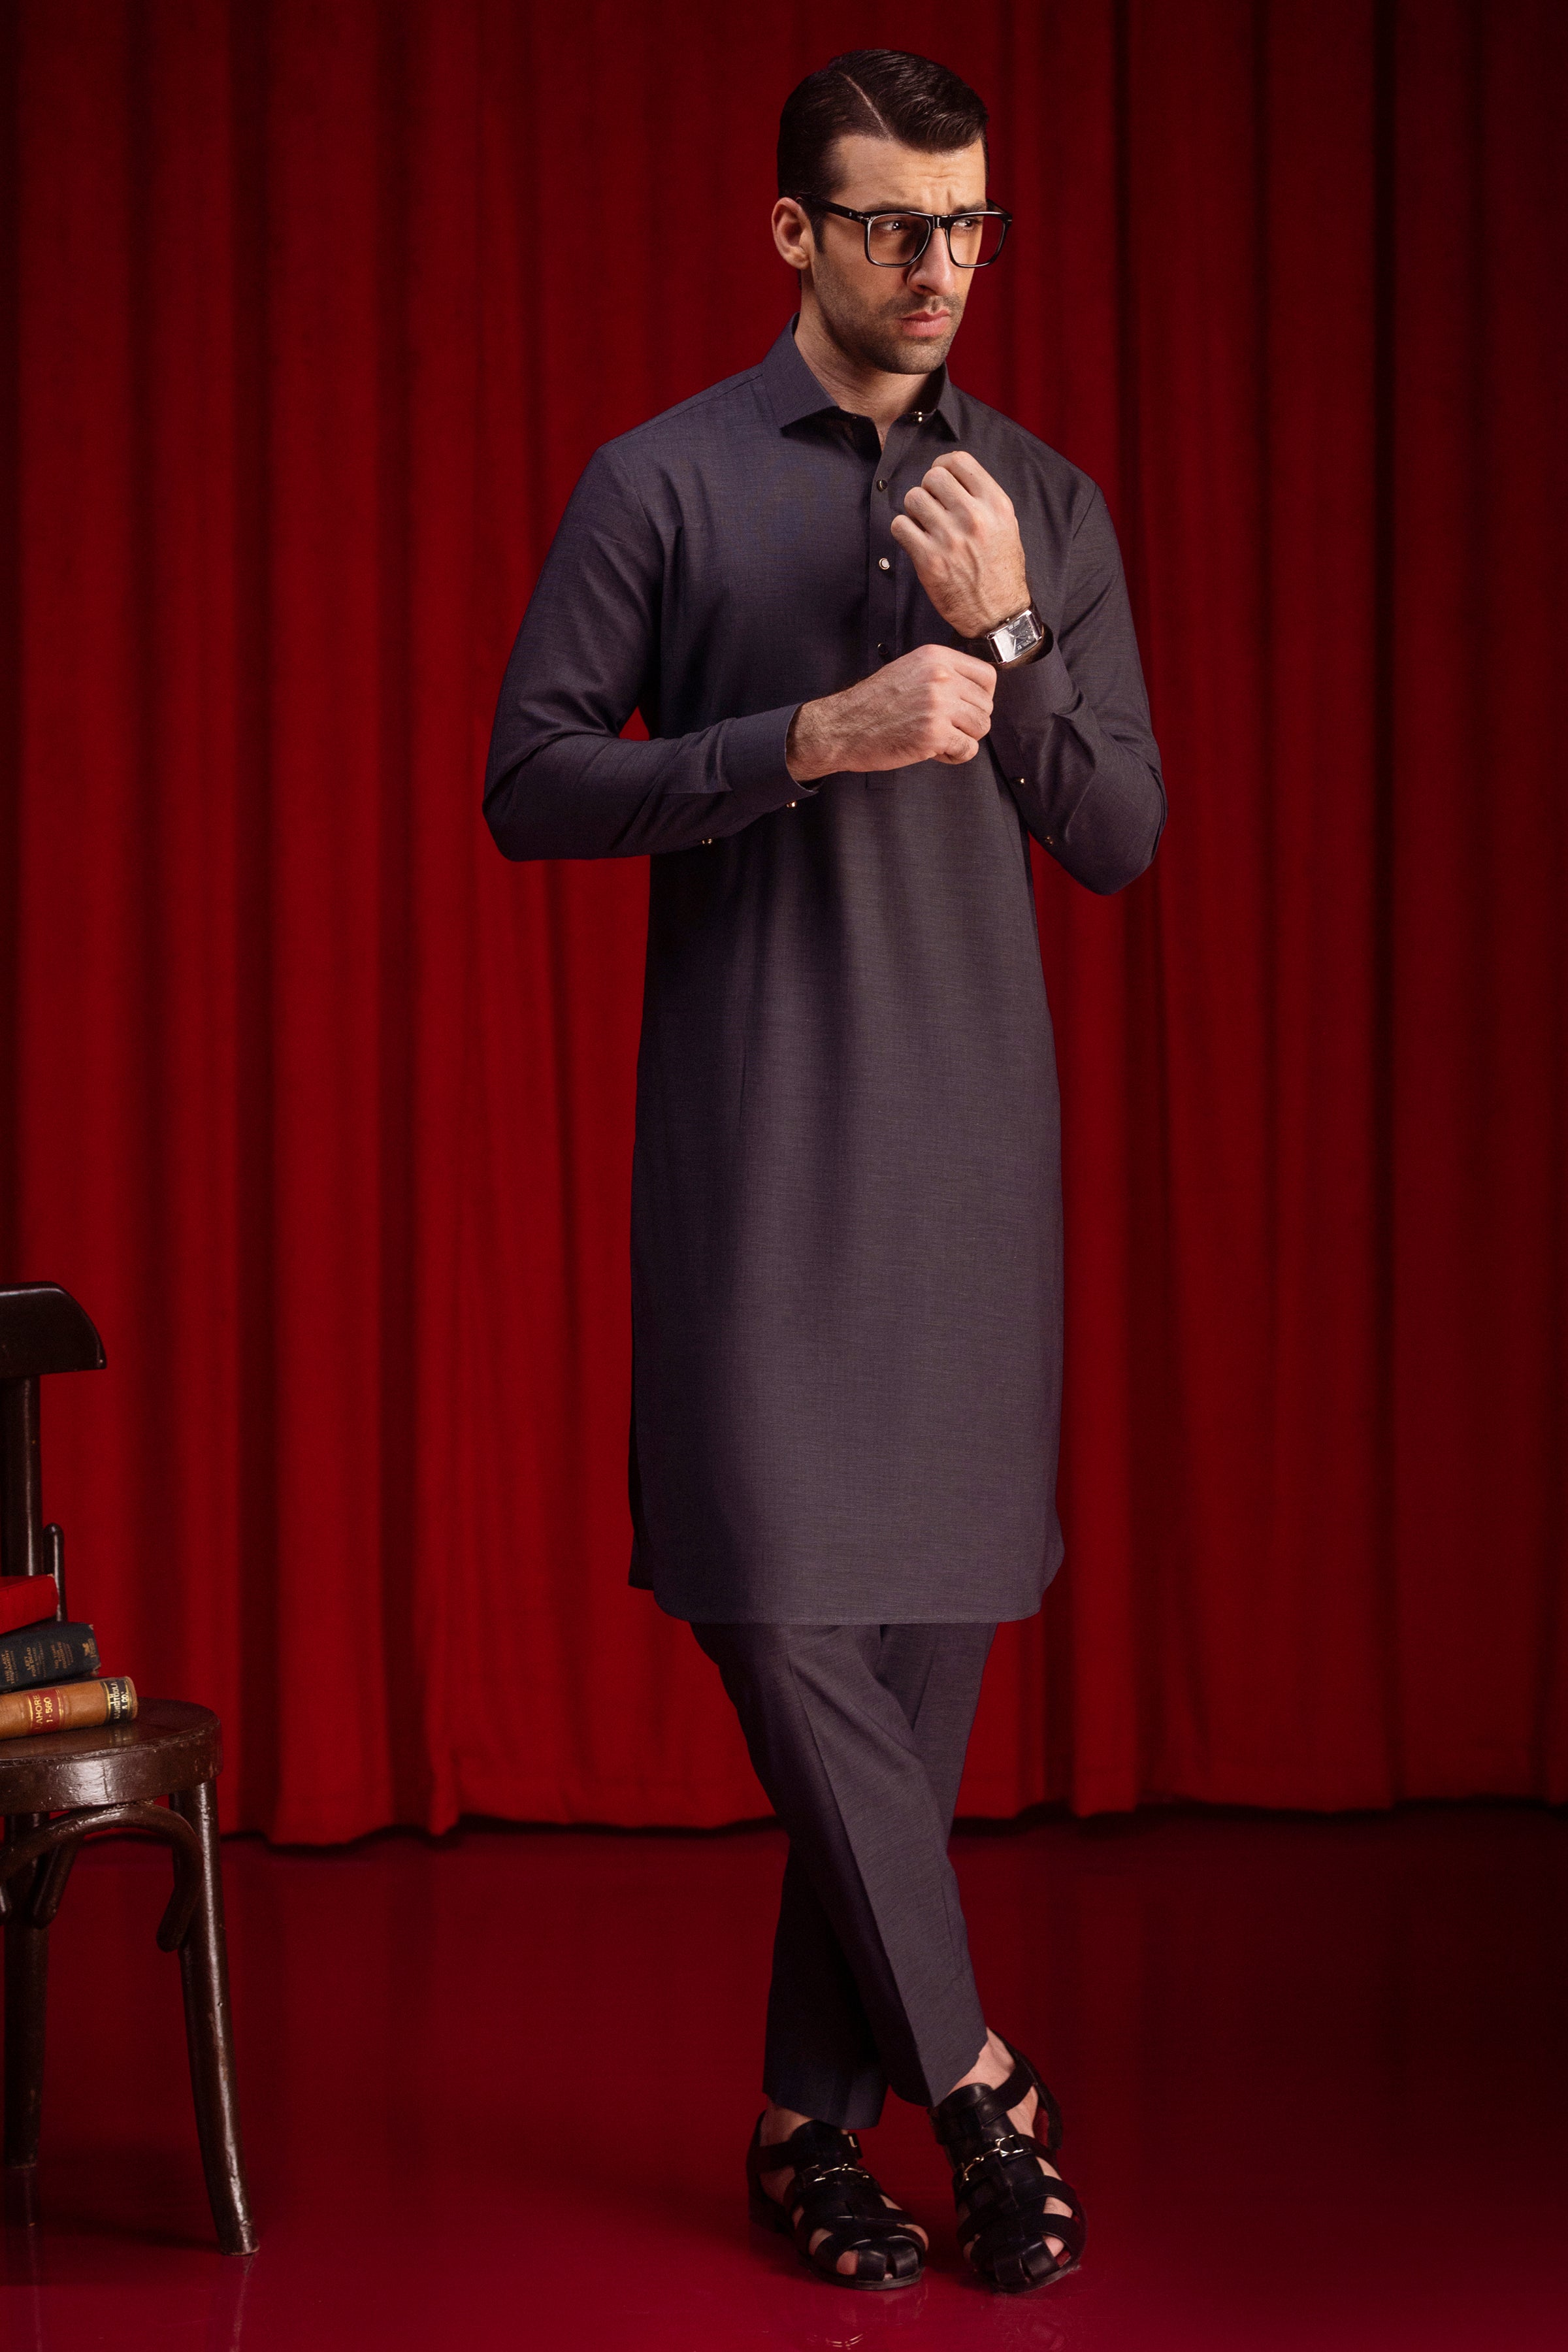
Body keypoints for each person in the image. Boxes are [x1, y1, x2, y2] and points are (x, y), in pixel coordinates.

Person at [484, 47, 1164, 2296]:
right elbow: (532, 780)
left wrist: (1011, 639)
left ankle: (804, 2127)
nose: (940, 264)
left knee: (909, 1688)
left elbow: (1118, 834)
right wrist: (809, 738)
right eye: (893, 223)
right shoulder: (661, 484)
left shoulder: (1041, 502)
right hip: (761, 1151)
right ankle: (977, 2082)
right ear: (794, 230)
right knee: (785, 1620)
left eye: (970, 223)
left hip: (973, 1168)